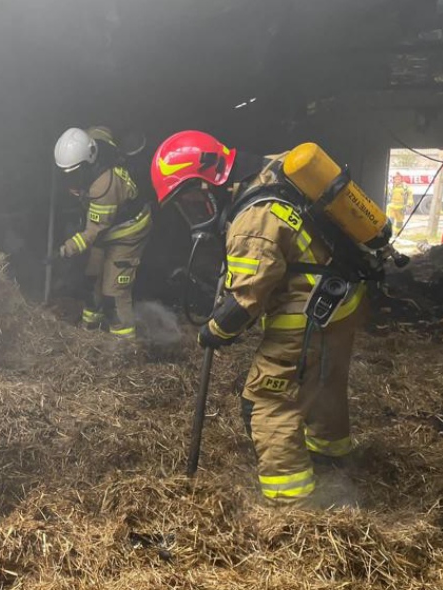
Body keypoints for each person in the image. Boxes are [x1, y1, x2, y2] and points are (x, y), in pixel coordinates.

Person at [150, 131, 369, 506]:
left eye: (187, 199)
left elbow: (247, 300)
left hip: (307, 309)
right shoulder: (271, 168)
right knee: (324, 382)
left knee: (268, 400)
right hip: (343, 297)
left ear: (207, 185)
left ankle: (293, 505)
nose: (189, 210)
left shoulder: (251, 222)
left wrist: (212, 332)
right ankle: (331, 459)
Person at [52, 126, 152, 340]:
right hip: (107, 229)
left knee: (113, 293)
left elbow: (94, 232)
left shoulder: (103, 188)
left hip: (127, 233)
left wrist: (65, 250)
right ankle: (89, 333)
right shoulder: (94, 141)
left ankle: (123, 346)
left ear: (88, 161)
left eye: (76, 173)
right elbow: (101, 130)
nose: (72, 179)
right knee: (92, 279)